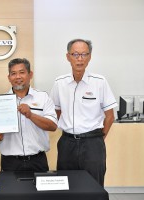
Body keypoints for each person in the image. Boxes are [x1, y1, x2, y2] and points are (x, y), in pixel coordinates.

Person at [50, 39, 118, 186]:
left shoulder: (100, 82)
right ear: (68, 57)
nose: (79, 59)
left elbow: (110, 116)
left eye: (84, 54)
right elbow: (56, 111)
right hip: (67, 143)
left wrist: (97, 138)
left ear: (90, 57)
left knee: (94, 186)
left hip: (93, 143)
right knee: (65, 186)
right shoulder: (59, 83)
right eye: (75, 54)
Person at [0, 58, 58, 172]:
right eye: (13, 74)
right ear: (9, 78)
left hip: (38, 161)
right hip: (10, 162)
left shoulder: (43, 97)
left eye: (22, 72)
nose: (18, 77)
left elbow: (53, 126)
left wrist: (31, 115)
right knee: (10, 190)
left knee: (40, 190)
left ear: (30, 74)